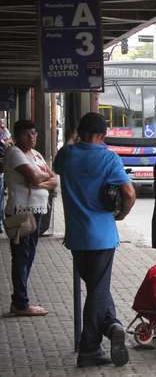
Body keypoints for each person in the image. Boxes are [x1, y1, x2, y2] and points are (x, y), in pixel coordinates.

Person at [54, 112, 136, 368]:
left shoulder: (66, 155)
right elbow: (129, 193)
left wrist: (71, 138)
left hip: (77, 237)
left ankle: (112, 327)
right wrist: (121, 214)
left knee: (96, 290)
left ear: (79, 131)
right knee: (97, 292)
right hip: (102, 236)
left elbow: (57, 165)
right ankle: (89, 349)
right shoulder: (108, 157)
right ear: (103, 135)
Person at [3, 119, 57, 317]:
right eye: (28, 134)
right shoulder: (14, 153)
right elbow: (34, 177)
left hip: (37, 211)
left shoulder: (36, 154)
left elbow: (54, 179)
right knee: (21, 257)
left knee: (29, 256)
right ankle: (20, 303)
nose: (32, 137)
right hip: (21, 213)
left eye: (34, 133)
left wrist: (39, 181)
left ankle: (21, 300)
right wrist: (39, 178)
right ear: (17, 136)